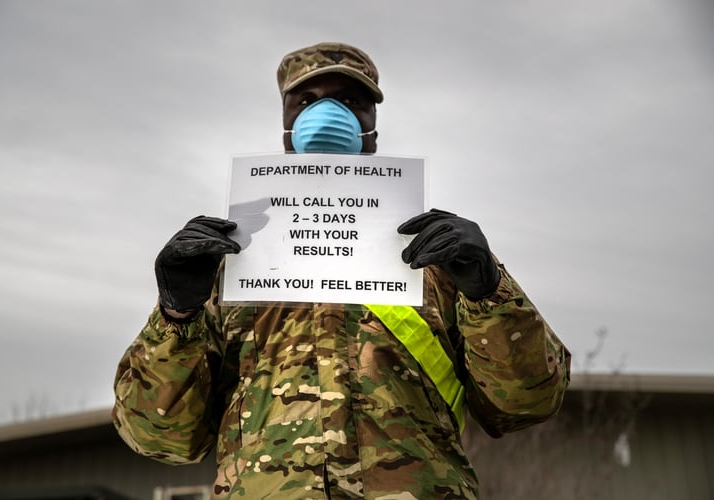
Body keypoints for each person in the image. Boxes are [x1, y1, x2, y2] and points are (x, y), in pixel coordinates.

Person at [113, 42, 571, 499]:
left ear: (372, 125)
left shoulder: (437, 259)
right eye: (307, 101)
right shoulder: (229, 267)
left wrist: (488, 293)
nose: (329, 112)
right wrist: (176, 318)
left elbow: (526, 404)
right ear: (286, 124)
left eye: (352, 102)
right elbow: (161, 437)